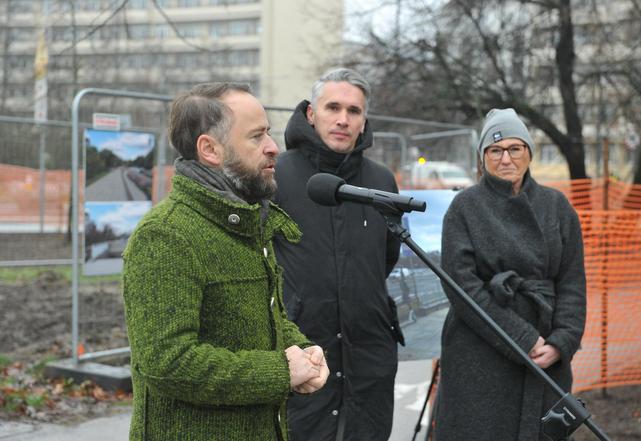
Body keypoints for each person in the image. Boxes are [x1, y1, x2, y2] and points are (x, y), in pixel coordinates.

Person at [122, 82, 329, 441]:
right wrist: (281, 371)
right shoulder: (166, 236)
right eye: (256, 136)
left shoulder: (247, 222)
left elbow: (263, 319)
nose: (272, 147)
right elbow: (167, 362)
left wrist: (301, 350)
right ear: (210, 149)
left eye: (269, 133)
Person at [434, 108, 586, 441]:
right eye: (495, 150)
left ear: (529, 152)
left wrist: (563, 342)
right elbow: (463, 288)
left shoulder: (557, 207)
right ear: (483, 157)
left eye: (515, 148)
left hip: (547, 351)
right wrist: (522, 338)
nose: (506, 158)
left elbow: (572, 282)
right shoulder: (464, 208)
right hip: (480, 352)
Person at [272, 68, 403, 441]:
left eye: (354, 110)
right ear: (311, 114)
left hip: (369, 355)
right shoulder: (277, 174)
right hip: (303, 355)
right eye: (333, 107)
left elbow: (386, 257)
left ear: (364, 121)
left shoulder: (381, 181)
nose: (343, 119)